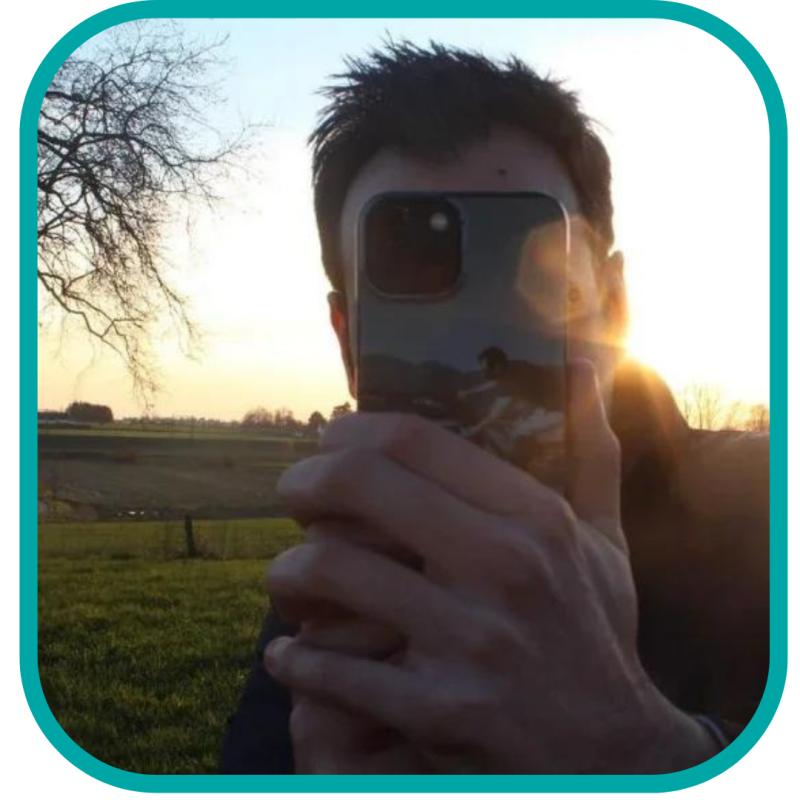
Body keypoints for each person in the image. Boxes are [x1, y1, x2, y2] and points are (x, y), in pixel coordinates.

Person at [219, 41, 769, 774]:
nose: (483, 347)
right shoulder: (351, 574)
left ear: (615, 302)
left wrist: (637, 748)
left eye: (536, 279)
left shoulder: (764, 506)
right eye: (413, 288)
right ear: (348, 340)